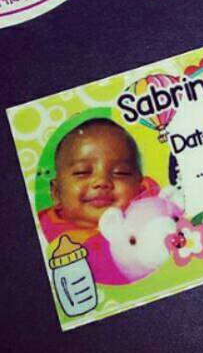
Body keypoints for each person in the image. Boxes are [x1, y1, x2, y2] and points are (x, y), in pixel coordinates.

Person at [39, 118, 160, 285]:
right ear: (56, 192)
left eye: (120, 172)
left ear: (140, 188)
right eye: (82, 172)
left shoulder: (155, 219)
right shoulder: (44, 231)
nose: (101, 181)